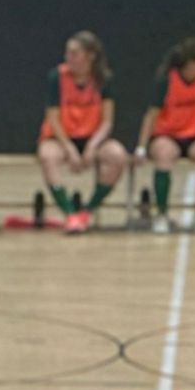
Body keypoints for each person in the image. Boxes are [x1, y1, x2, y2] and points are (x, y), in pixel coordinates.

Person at [38, 31, 127, 236]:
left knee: (117, 155)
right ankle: (70, 214)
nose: (68, 57)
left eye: (74, 53)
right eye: (67, 53)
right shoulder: (57, 77)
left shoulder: (103, 79)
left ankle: (87, 211)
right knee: (47, 156)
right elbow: (53, 118)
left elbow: (107, 121)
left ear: (90, 56)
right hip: (61, 137)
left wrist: (92, 146)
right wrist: (69, 148)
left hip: (92, 137)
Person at [135, 37, 195, 235]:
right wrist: (141, 147)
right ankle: (162, 215)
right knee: (164, 154)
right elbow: (151, 116)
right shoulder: (167, 80)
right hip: (168, 135)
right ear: (192, 62)